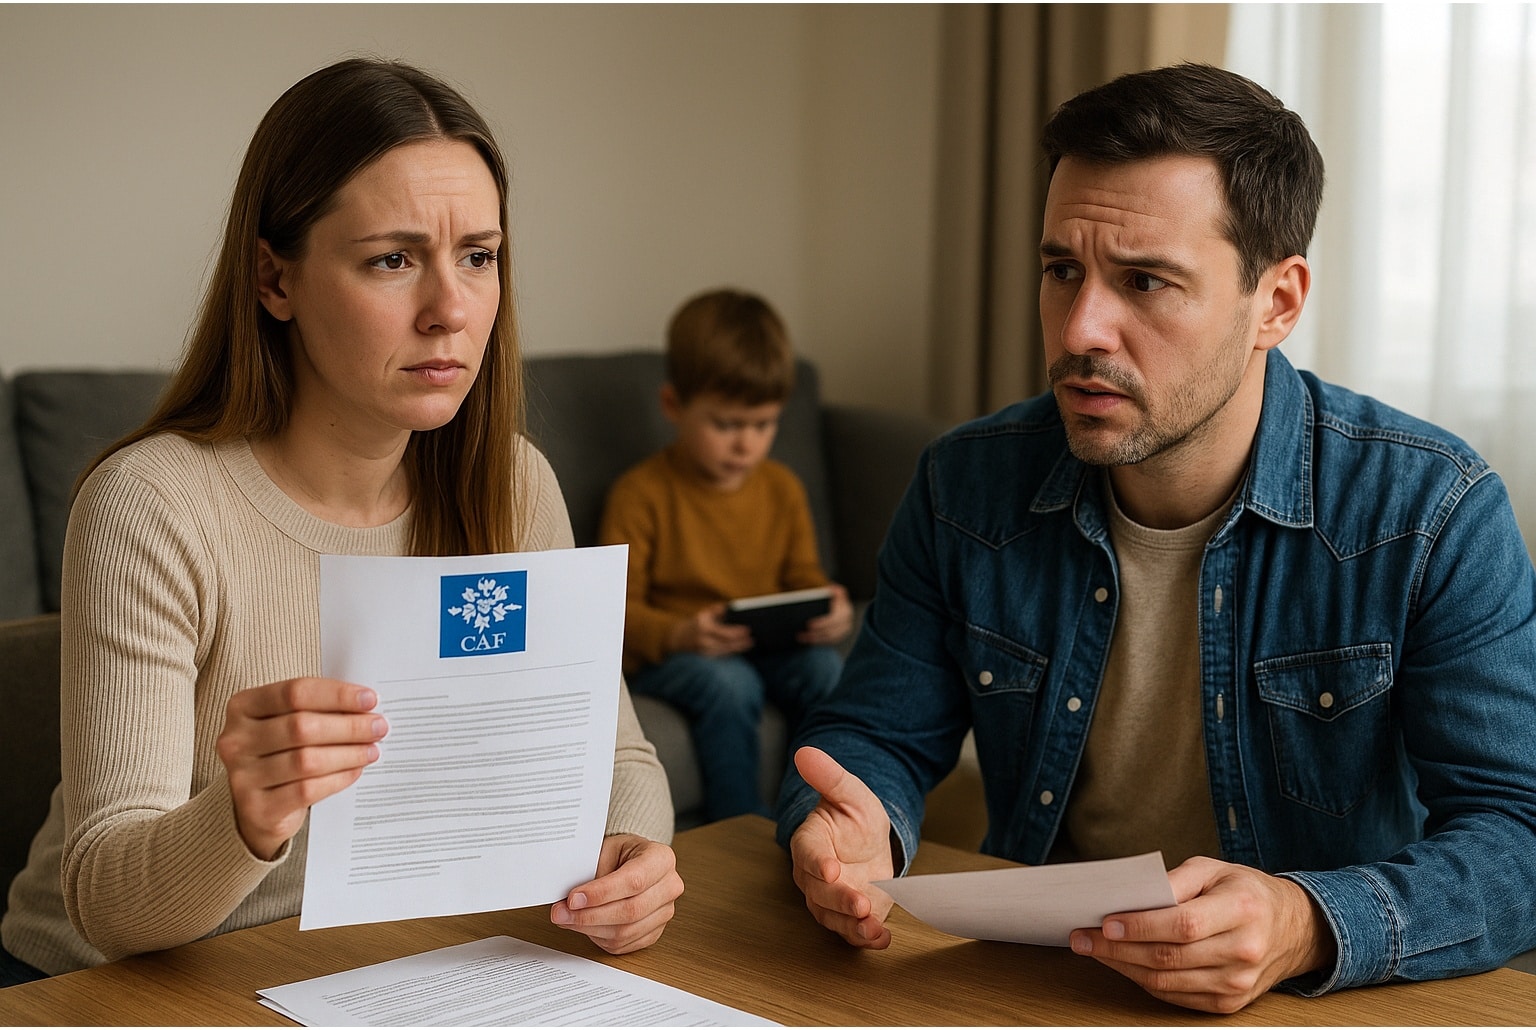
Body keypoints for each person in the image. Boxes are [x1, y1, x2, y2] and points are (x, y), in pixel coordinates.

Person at [775, 62, 1536, 1013]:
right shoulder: (964, 485)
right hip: (1045, 984)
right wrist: (854, 827)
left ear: (1279, 302)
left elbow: (1518, 836)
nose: (1082, 326)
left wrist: (1304, 921)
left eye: (1145, 280)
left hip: (1310, 1001)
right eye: (1062, 271)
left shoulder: (1430, 511)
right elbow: (874, 734)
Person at [0, 58, 682, 986]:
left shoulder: (513, 484)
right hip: (107, 983)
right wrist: (244, 816)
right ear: (274, 280)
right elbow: (110, 906)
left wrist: (633, 856)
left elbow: (618, 757)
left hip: (363, 971)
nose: (451, 310)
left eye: (478, 255)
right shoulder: (152, 505)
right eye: (392, 260)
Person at [598, 289, 853, 821]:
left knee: (824, 670)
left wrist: (827, 609)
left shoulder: (782, 489)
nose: (746, 446)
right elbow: (610, 613)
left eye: (763, 426)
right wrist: (681, 633)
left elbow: (804, 577)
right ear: (674, 406)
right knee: (729, 684)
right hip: (675, 654)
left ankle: (813, 813)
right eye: (726, 425)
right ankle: (739, 826)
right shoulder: (640, 493)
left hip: (762, 645)